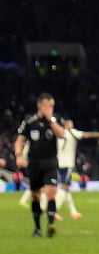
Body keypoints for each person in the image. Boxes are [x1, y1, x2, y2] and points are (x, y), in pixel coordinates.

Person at [15, 93, 67, 237]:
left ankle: (50, 224)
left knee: (51, 192)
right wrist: (18, 156)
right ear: (39, 105)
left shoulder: (56, 119)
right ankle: (37, 228)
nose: (50, 108)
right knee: (35, 195)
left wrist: (51, 120)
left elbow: (62, 134)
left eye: (52, 106)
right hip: (34, 163)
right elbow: (20, 140)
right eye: (47, 106)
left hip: (50, 161)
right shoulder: (29, 120)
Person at [56, 118, 99, 220]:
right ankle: (54, 210)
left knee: (66, 188)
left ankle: (73, 212)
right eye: (71, 124)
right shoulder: (72, 132)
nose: (72, 126)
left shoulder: (58, 135)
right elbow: (86, 135)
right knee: (64, 187)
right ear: (67, 125)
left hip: (58, 162)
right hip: (67, 163)